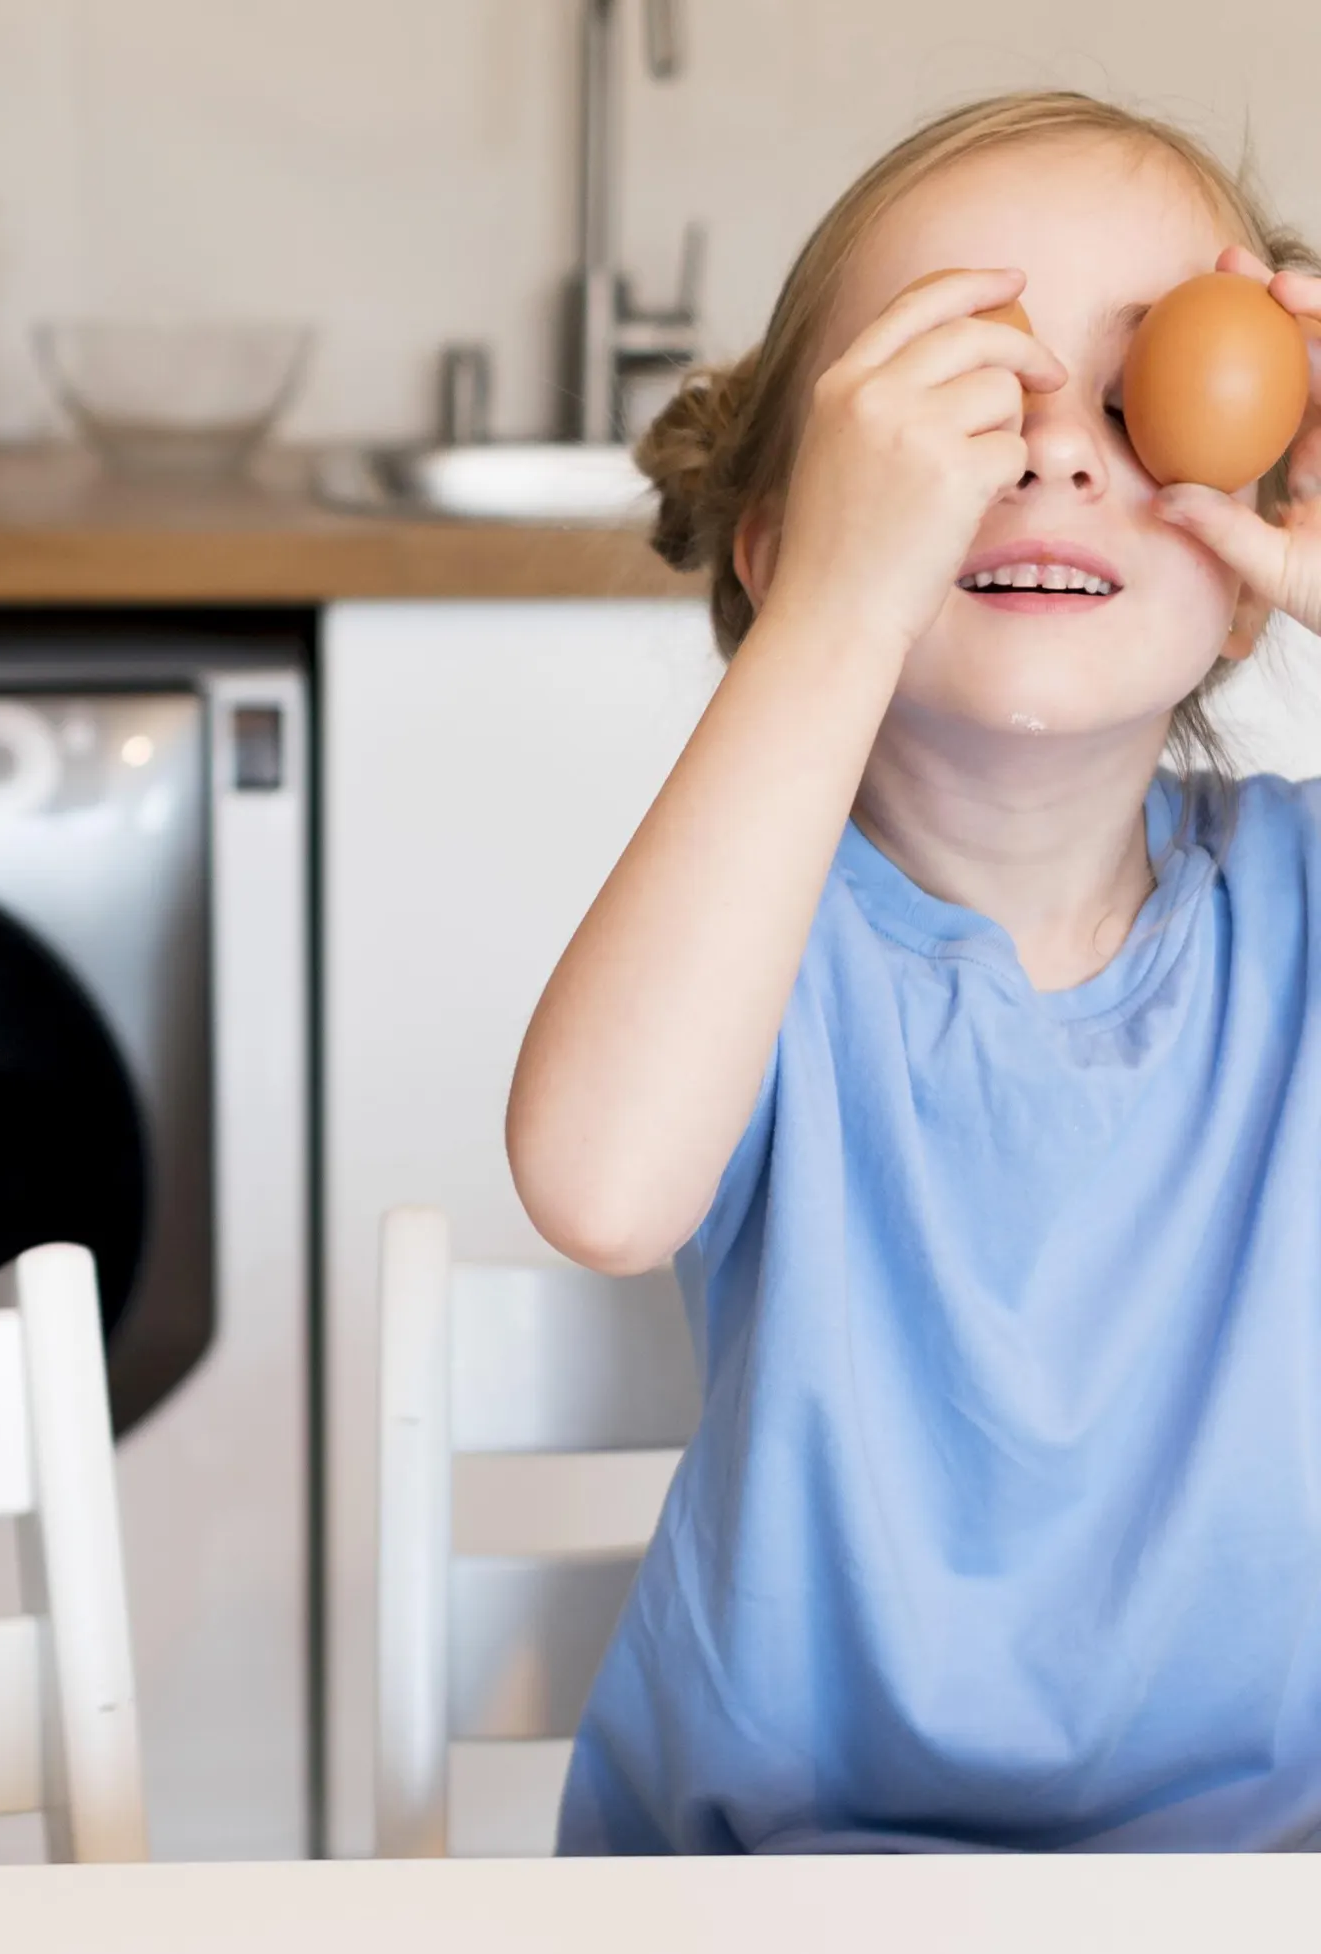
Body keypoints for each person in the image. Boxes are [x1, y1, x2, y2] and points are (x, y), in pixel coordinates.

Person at [506, 90, 1321, 1851]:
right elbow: (599, 1180)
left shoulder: (1303, 906)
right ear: (787, 539)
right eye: (964, 411)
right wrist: (838, 611)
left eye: (1140, 400)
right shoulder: (754, 927)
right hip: (781, 1883)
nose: (1055, 457)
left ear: (1251, 576)